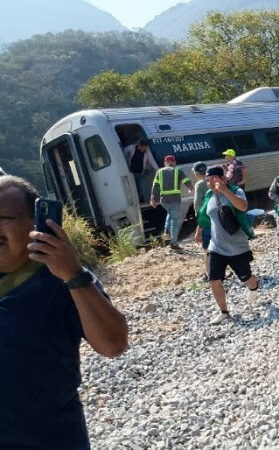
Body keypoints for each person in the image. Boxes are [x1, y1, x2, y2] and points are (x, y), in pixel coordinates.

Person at [0, 175, 128, 449]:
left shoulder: (62, 278)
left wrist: (73, 274)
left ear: (36, 224)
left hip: (49, 440)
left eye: (3, 218)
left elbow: (114, 345)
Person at [195, 166, 259, 325]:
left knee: (247, 278)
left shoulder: (236, 191)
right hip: (216, 246)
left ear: (223, 179)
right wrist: (199, 231)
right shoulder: (209, 195)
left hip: (237, 247)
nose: (210, 183)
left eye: (213, 179)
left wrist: (225, 191)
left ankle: (253, 287)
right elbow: (204, 215)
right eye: (208, 180)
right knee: (214, 278)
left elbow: (243, 207)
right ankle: (224, 312)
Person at [151, 155, 193, 250]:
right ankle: (173, 243)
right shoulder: (178, 171)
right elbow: (186, 181)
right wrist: (191, 188)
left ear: (165, 163)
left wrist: (153, 198)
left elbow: (155, 186)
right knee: (175, 221)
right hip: (175, 199)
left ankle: (167, 230)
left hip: (164, 201)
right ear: (174, 162)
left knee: (170, 213)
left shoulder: (159, 172)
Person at [123, 139, 159, 203]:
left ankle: (140, 200)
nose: (145, 150)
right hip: (131, 172)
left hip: (139, 172)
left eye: (146, 148)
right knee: (132, 186)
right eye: (144, 148)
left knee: (139, 186)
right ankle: (134, 200)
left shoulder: (147, 152)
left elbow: (152, 161)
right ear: (139, 146)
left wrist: (158, 171)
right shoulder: (131, 148)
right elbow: (123, 153)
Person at [192, 162, 210, 279]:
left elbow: (198, 206)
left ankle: (210, 274)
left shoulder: (200, 184)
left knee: (208, 249)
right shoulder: (212, 181)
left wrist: (199, 226)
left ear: (196, 173)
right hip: (217, 218)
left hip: (206, 220)